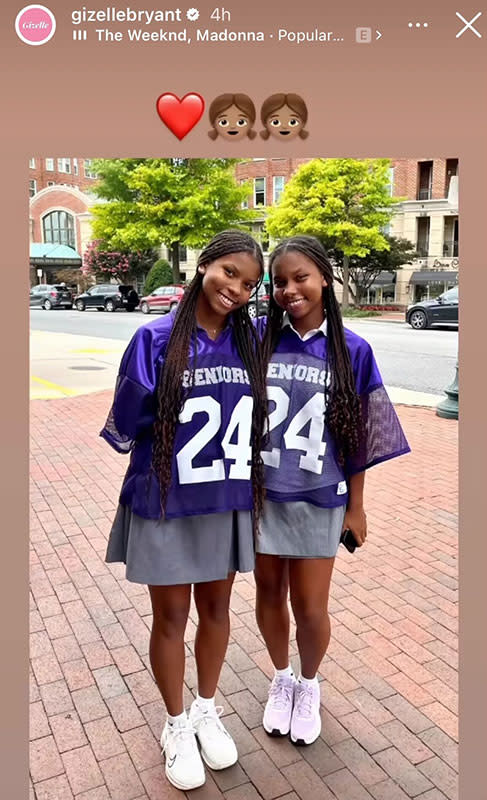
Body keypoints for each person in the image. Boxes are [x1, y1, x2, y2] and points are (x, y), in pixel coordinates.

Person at [100, 230, 266, 791]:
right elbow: (127, 424)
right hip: (169, 500)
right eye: (228, 272)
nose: (236, 288)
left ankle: (205, 708)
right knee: (171, 618)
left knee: (217, 611)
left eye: (249, 283)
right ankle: (175, 722)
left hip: (226, 499)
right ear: (205, 265)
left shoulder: (254, 342)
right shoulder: (153, 338)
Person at [255, 235, 410, 746]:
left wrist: (357, 507)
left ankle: (308, 682)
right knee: (268, 593)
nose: (290, 289)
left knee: (311, 606)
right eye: (279, 281)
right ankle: (281, 679)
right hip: (262, 494)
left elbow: (361, 434)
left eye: (300, 277)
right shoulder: (259, 338)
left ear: (324, 277)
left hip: (320, 493)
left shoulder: (352, 349)